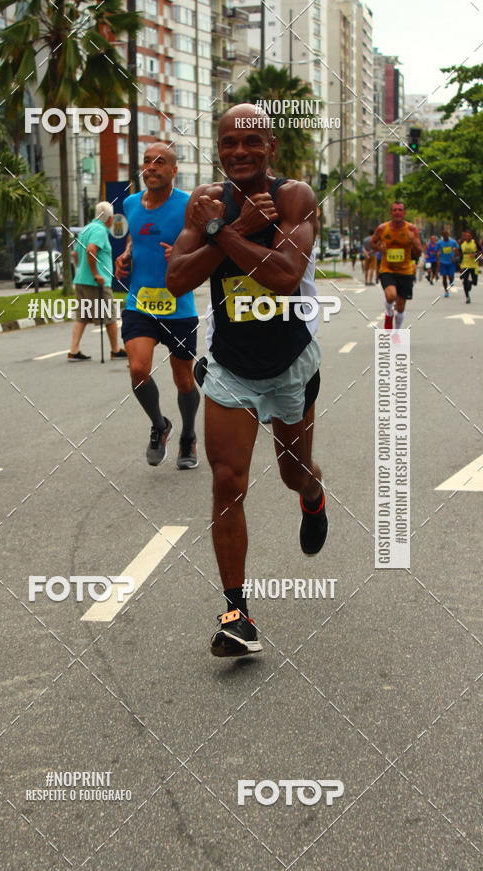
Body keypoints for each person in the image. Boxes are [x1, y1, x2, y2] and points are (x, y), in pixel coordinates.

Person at [167, 104, 326, 657]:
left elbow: (284, 276)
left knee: (292, 472)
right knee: (227, 481)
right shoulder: (206, 203)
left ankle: (313, 494)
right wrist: (228, 228)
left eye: (251, 141)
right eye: (229, 142)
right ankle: (237, 615)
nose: (239, 151)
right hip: (231, 366)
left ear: (271, 147)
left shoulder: (294, 198)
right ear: (218, 148)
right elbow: (176, 278)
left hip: (290, 362)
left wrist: (222, 236)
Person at [115, 142, 200, 469]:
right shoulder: (131, 203)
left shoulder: (188, 204)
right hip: (140, 302)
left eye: (160, 162)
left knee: (184, 380)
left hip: (179, 304)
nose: (151, 167)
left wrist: (183, 254)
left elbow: (204, 244)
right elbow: (135, 237)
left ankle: (188, 436)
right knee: (138, 370)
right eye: (147, 161)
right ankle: (160, 425)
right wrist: (126, 255)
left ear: (174, 170)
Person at [68, 201, 127, 361]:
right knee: (110, 316)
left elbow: (75, 254)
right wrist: (95, 273)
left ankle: (74, 350)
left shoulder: (86, 229)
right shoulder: (100, 230)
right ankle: (115, 350)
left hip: (81, 280)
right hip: (97, 282)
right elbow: (91, 250)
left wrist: (81, 269)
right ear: (110, 218)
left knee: (82, 316)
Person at [372, 201, 422, 329]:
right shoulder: (382, 228)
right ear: (391, 213)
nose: (397, 212)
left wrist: (413, 241)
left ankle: (397, 331)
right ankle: (389, 313)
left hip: (405, 271)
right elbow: (373, 243)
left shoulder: (411, 229)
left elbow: (419, 252)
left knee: (400, 306)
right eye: (394, 210)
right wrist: (379, 248)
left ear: (404, 213)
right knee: (391, 295)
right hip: (387, 269)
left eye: (400, 210)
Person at [436, 228, 460, 298]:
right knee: (444, 277)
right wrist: (438, 259)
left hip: (451, 262)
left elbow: (457, 251)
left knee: (451, 277)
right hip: (443, 262)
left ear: (449, 235)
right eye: (444, 235)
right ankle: (446, 291)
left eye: (446, 234)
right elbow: (436, 252)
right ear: (442, 235)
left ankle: (451, 282)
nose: (445, 236)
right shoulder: (439, 243)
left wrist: (455, 257)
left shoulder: (453, 242)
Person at [459, 228, 479, 304]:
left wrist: (475, 254)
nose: (467, 237)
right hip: (465, 265)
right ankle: (467, 297)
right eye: (466, 236)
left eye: (469, 236)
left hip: (474, 265)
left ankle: (470, 283)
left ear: (471, 236)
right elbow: (460, 255)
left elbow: (480, 252)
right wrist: (459, 266)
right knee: (465, 281)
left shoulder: (475, 243)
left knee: (475, 282)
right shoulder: (462, 244)